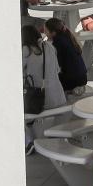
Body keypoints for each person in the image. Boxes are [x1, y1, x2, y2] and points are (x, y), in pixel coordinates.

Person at [21, 24, 66, 153]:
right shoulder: (49, 47)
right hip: (58, 97)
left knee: (14, 111)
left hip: (40, 100)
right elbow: (57, 70)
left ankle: (28, 142)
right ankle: (47, 136)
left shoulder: (26, 51)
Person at [43, 17, 88, 95]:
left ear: (53, 33)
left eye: (46, 31)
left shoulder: (58, 43)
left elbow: (56, 67)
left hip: (72, 82)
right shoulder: (68, 37)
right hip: (82, 78)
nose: (45, 33)